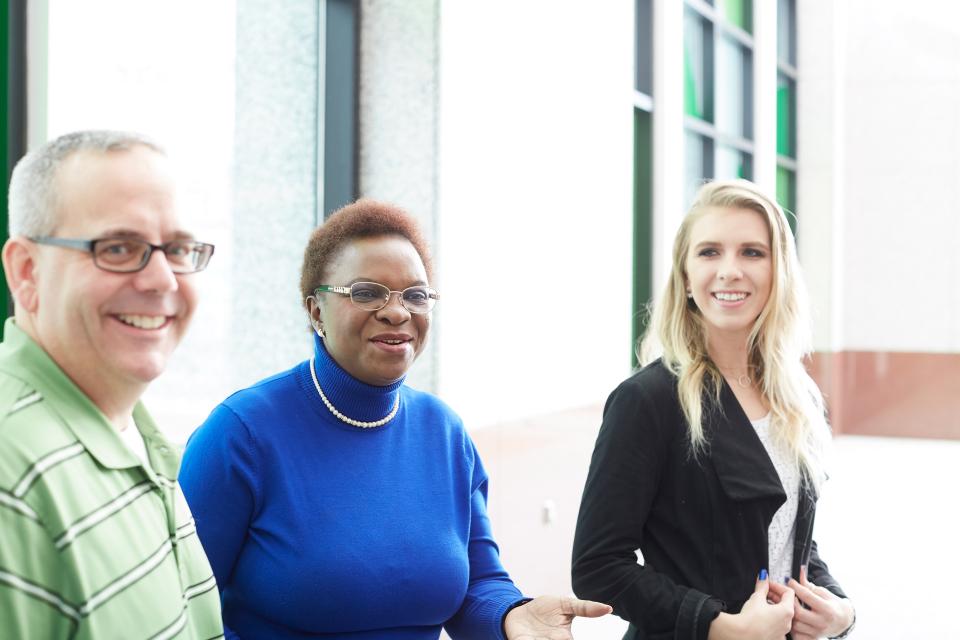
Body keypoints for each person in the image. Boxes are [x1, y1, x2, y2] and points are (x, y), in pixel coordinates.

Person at [179, 199, 611, 639]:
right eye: (366, 292)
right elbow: (176, 604)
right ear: (315, 312)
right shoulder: (242, 433)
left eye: (416, 295)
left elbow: (478, 584)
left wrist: (510, 617)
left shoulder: (444, 433)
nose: (397, 311)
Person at [571, 180, 856, 640]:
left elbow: (786, 540)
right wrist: (720, 627)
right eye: (708, 252)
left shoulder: (796, 396)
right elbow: (599, 567)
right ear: (685, 276)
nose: (729, 271)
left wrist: (839, 611)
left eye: (751, 252)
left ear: (778, 271)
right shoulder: (647, 401)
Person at [0, 130, 223, 639]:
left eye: (179, 248)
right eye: (119, 247)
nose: (163, 280)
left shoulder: (136, 431)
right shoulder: (10, 477)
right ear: (27, 272)